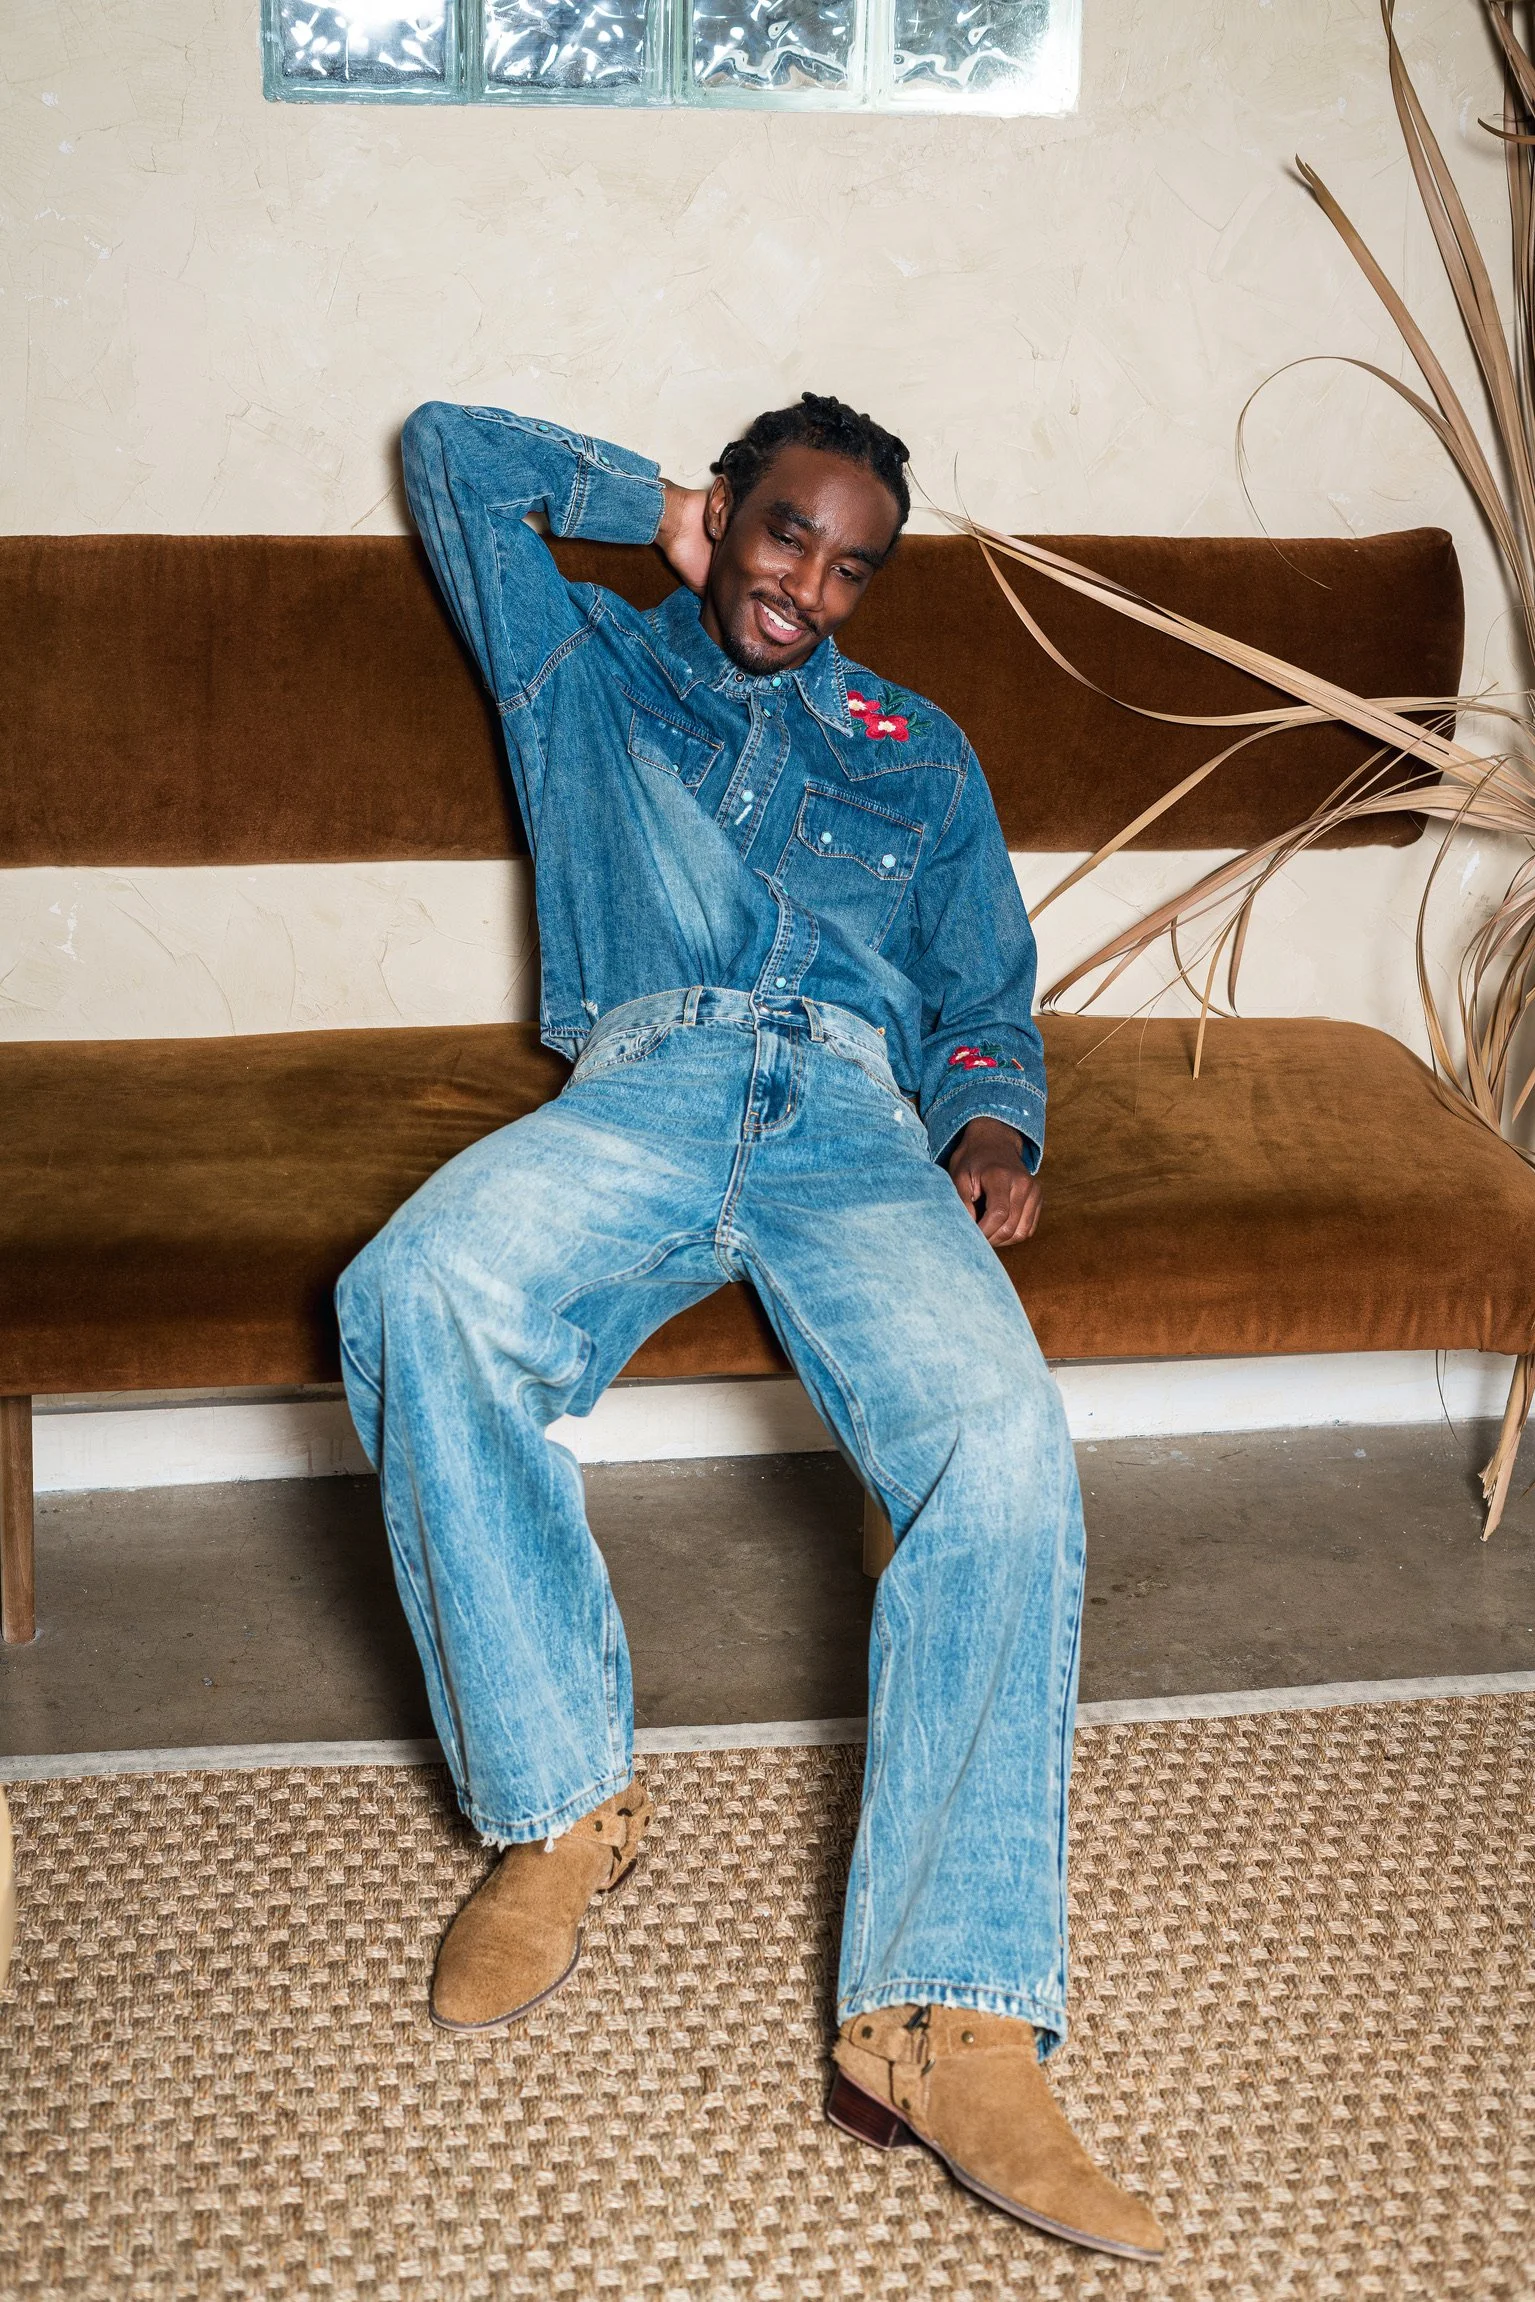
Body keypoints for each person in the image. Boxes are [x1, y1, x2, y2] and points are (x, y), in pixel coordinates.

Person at [336, 392, 1165, 2263]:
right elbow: (452, 453)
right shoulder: (584, 666)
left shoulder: (916, 751)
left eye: (853, 566)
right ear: (730, 512)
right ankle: (564, 1805)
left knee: (1000, 1440)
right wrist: (656, 509)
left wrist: (994, 1125)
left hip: (856, 1122)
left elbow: (984, 994)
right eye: (787, 533)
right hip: (646, 1086)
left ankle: (939, 2016)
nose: (812, 585)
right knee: (415, 1288)